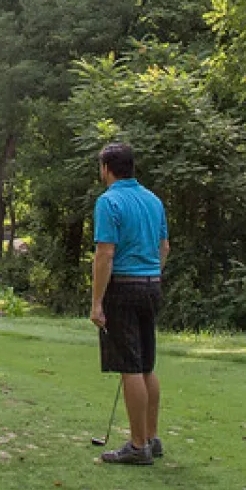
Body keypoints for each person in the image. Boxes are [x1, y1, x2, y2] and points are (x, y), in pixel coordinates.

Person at [89, 141, 169, 466]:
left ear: (107, 168)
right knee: (147, 364)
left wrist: (97, 302)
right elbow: (164, 248)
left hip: (123, 286)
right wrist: (151, 275)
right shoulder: (153, 200)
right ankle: (150, 437)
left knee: (129, 367)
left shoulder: (108, 202)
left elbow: (105, 254)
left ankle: (138, 447)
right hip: (152, 284)